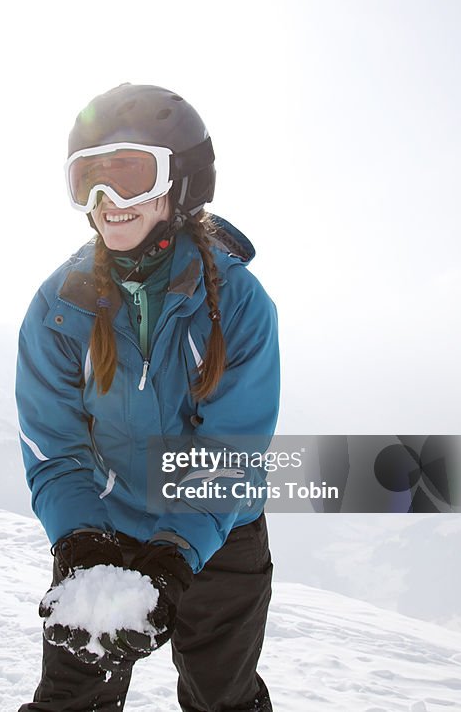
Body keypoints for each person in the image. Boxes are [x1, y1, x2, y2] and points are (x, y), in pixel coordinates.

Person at [16, 83, 279, 712]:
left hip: (216, 536)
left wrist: (174, 553)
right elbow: (55, 446)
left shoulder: (238, 305)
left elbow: (229, 450)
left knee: (223, 699)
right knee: (70, 700)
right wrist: (80, 541)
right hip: (104, 528)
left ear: (181, 183)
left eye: (130, 176)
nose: (108, 203)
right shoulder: (59, 309)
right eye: (89, 182)